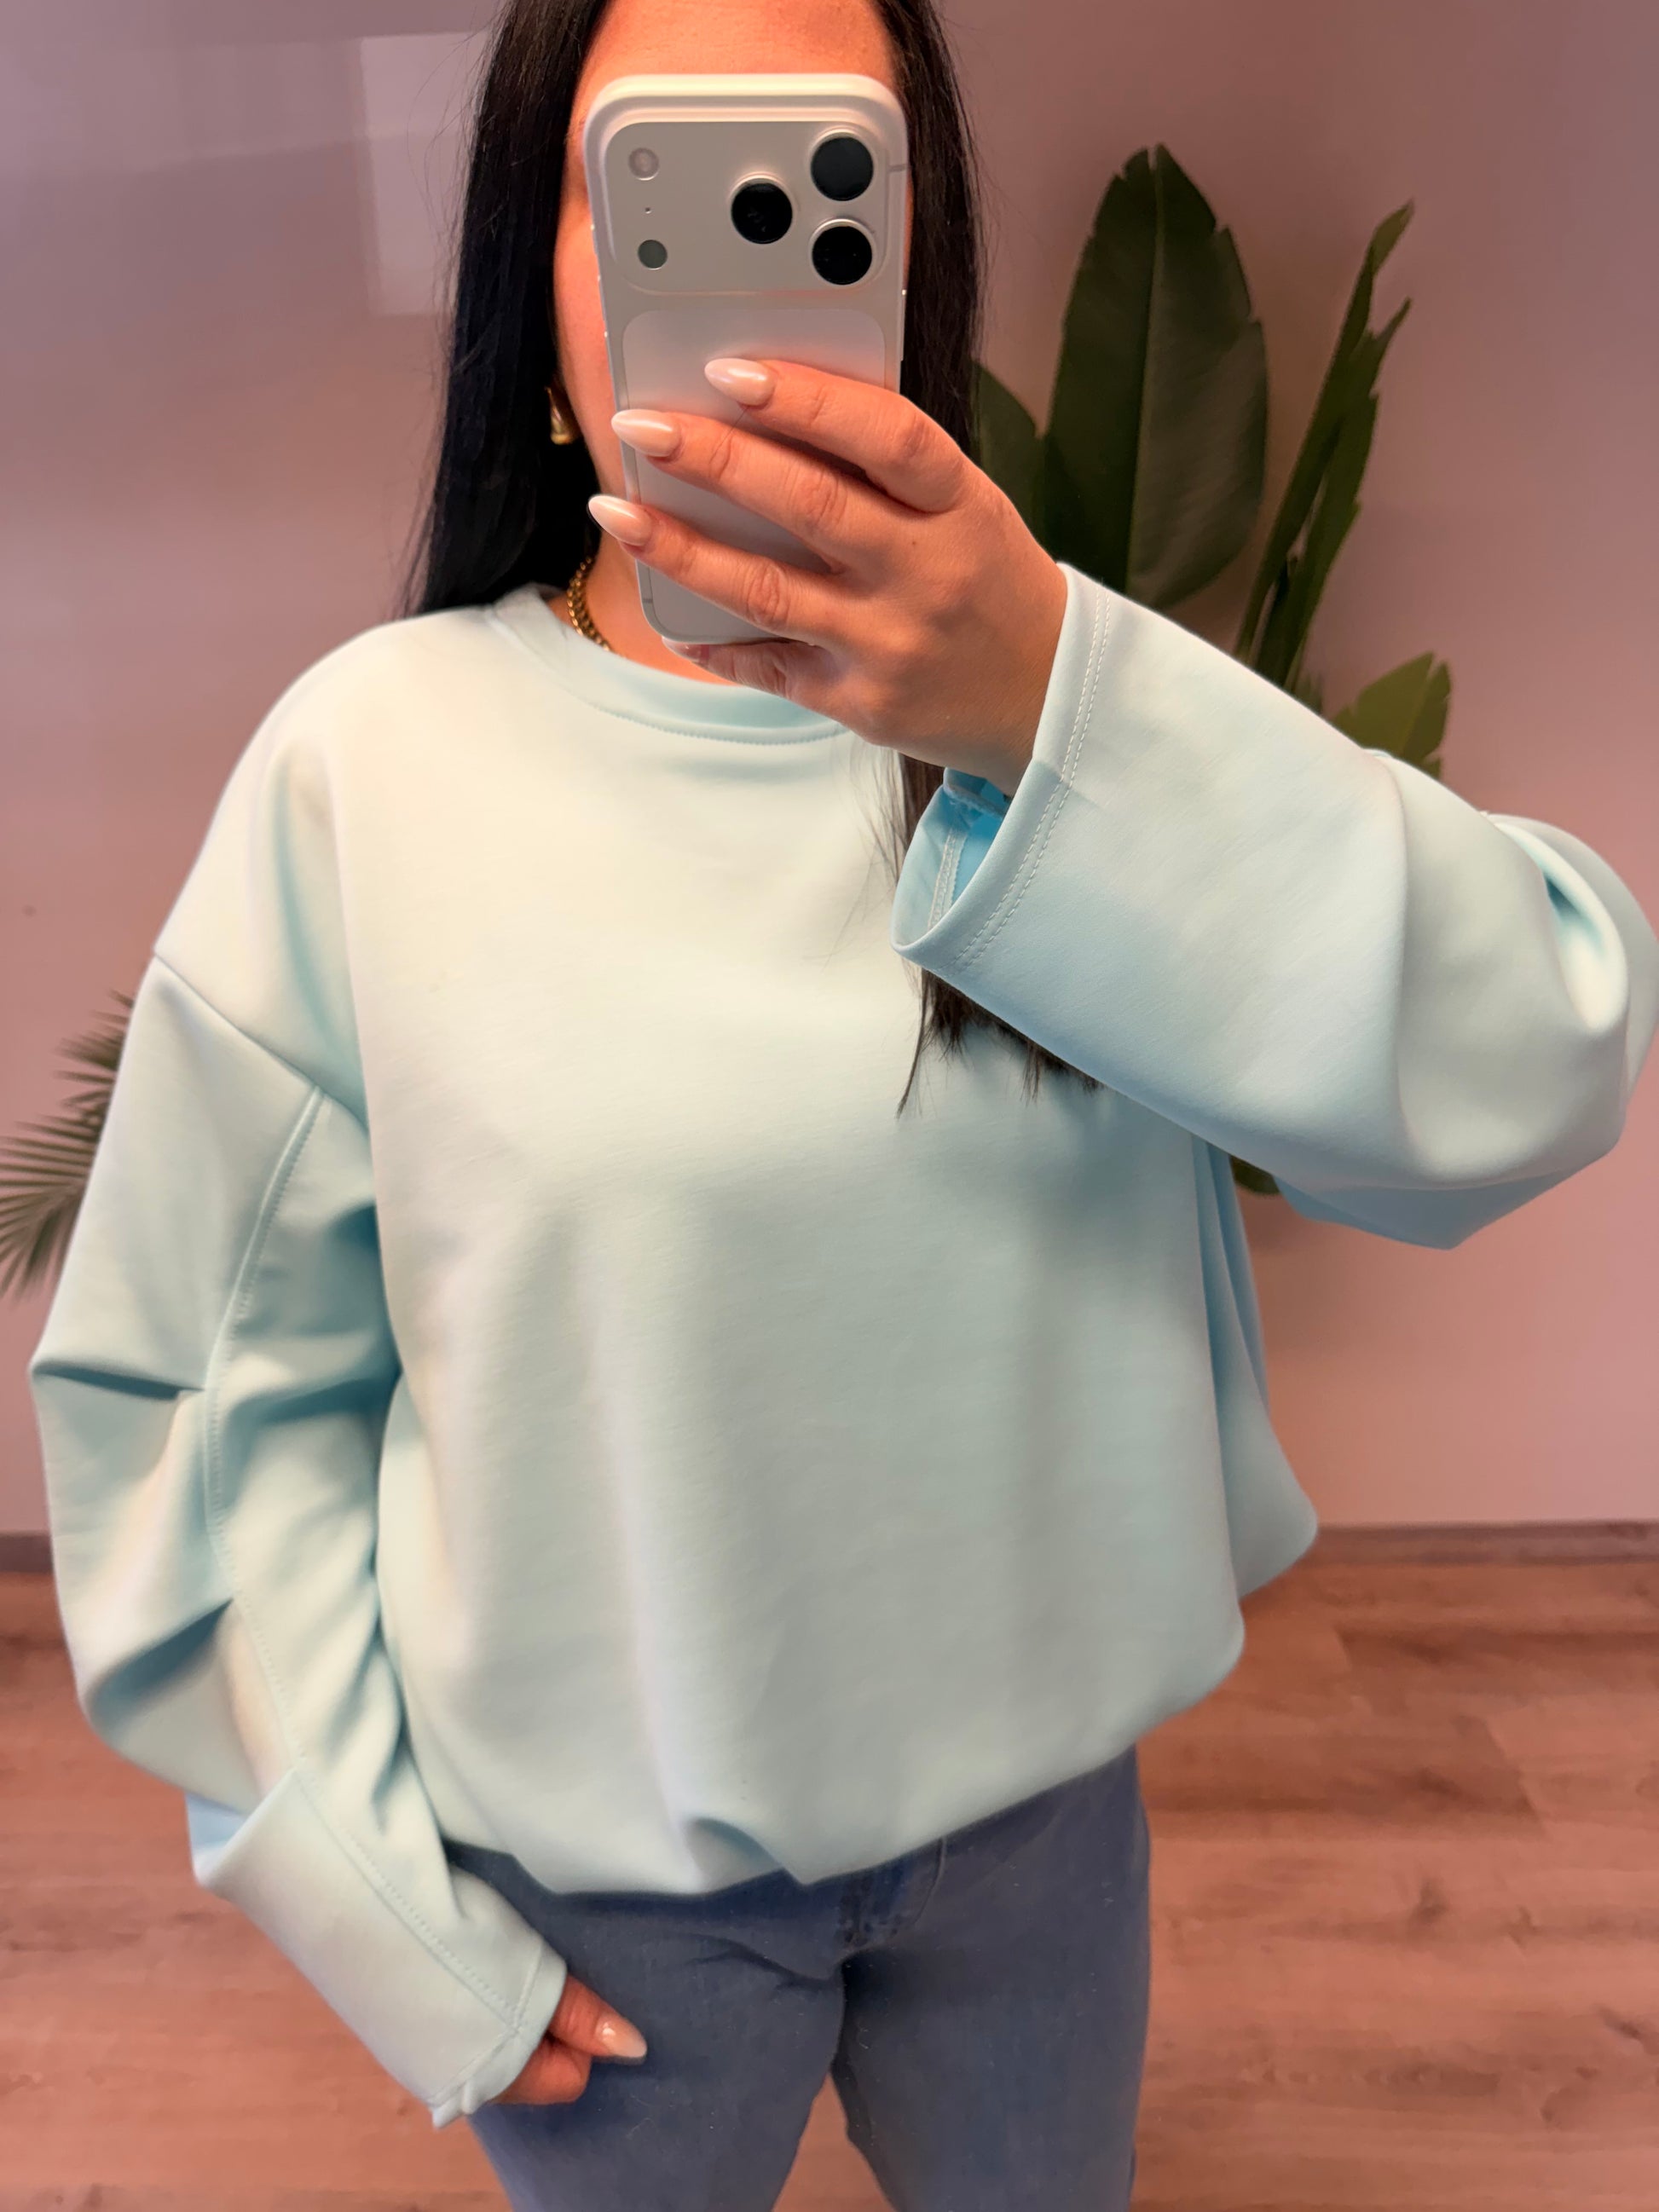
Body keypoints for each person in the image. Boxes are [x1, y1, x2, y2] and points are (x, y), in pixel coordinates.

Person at [26, 0, 1658, 2206]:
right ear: (533, 279)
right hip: (603, 1887)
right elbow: (206, 1394)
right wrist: (381, 1903)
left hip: (1042, 1841)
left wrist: (1054, 706)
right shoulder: (370, 768)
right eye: (649, 184)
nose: (733, 259)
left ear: (913, 259)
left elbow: (1540, 1052)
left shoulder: (1086, 727)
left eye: (816, 173)